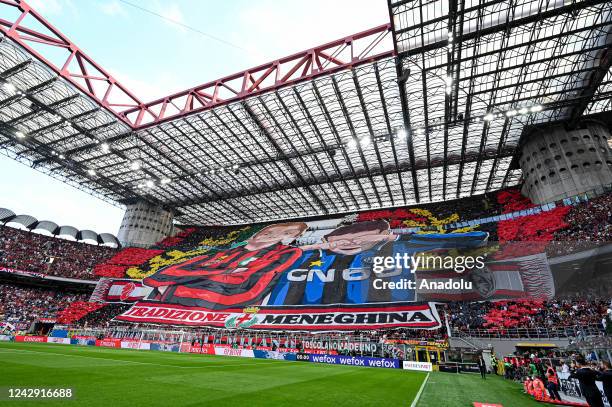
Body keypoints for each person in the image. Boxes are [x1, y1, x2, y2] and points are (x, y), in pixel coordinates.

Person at [143, 222, 308, 309]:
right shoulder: (222, 252)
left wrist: (176, 287)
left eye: (286, 233)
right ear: (257, 233)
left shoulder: (286, 253)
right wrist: (227, 272)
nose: (275, 235)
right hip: (164, 305)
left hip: (224, 313)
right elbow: (161, 275)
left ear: (289, 239)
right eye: (271, 231)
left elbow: (247, 286)